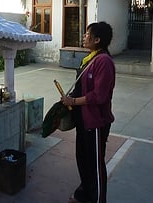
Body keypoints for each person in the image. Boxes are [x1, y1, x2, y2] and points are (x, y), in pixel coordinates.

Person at [61, 21, 116, 203]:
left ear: (97, 39)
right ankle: (85, 193)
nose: (84, 37)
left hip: (95, 122)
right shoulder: (90, 58)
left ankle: (98, 198)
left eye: (87, 35)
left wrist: (74, 101)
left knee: (95, 164)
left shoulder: (104, 62)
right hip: (82, 119)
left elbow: (98, 96)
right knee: (82, 159)